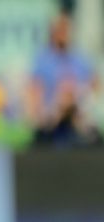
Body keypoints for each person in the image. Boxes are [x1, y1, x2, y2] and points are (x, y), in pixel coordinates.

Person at [27, 11, 101, 146]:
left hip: (77, 114)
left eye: (66, 29)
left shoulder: (80, 58)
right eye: (60, 29)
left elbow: (95, 84)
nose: (64, 34)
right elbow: (34, 90)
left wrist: (83, 98)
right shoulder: (43, 60)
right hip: (52, 117)